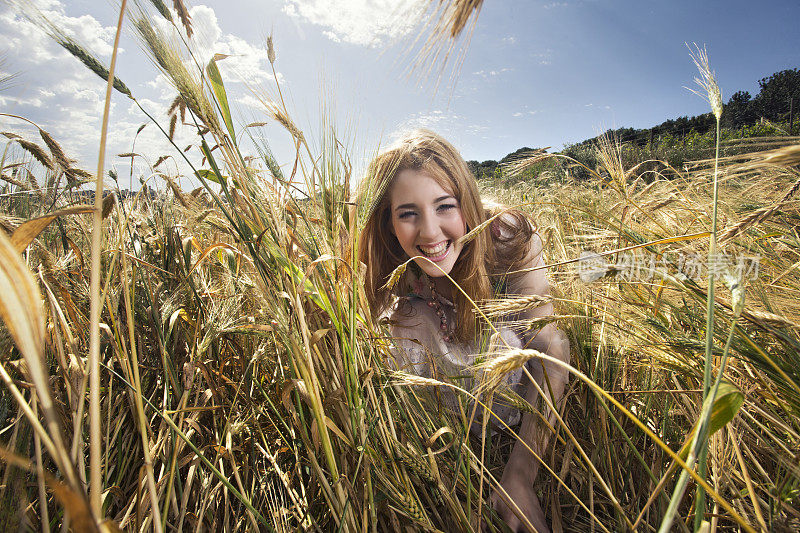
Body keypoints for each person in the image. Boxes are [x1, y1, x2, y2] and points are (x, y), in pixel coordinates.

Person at [356, 129, 570, 532]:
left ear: (467, 203)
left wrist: (521, 474)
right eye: (408, 213)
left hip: (511, 389)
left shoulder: (507, 237)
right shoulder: (385, 259)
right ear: (388, 221)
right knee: (402, 326)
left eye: (444, 206)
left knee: (515, 340)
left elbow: (549, 344)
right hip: (441, 412)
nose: (431, 233)